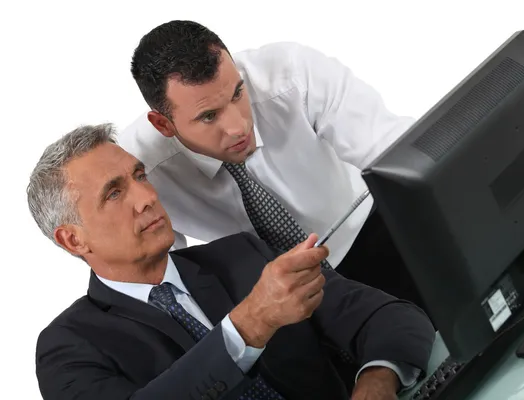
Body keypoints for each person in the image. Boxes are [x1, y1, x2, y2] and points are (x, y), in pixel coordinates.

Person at [28, 124, 435, 400]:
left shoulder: (242, 254)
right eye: (114, 194)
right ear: (72, 239)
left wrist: (376, 382)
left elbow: (391, 317)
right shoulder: (67, 347)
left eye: (140, 176)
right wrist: (250, 324)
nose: (146, 197)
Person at [119, 19, 426, 310]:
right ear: (163, 125)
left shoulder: (292, 73)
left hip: (373, 234)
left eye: (238, 94)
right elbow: (159, 272)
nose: (238, 127)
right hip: (279, 299)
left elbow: (399, 155)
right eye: (209, 116)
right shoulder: (135, 170)